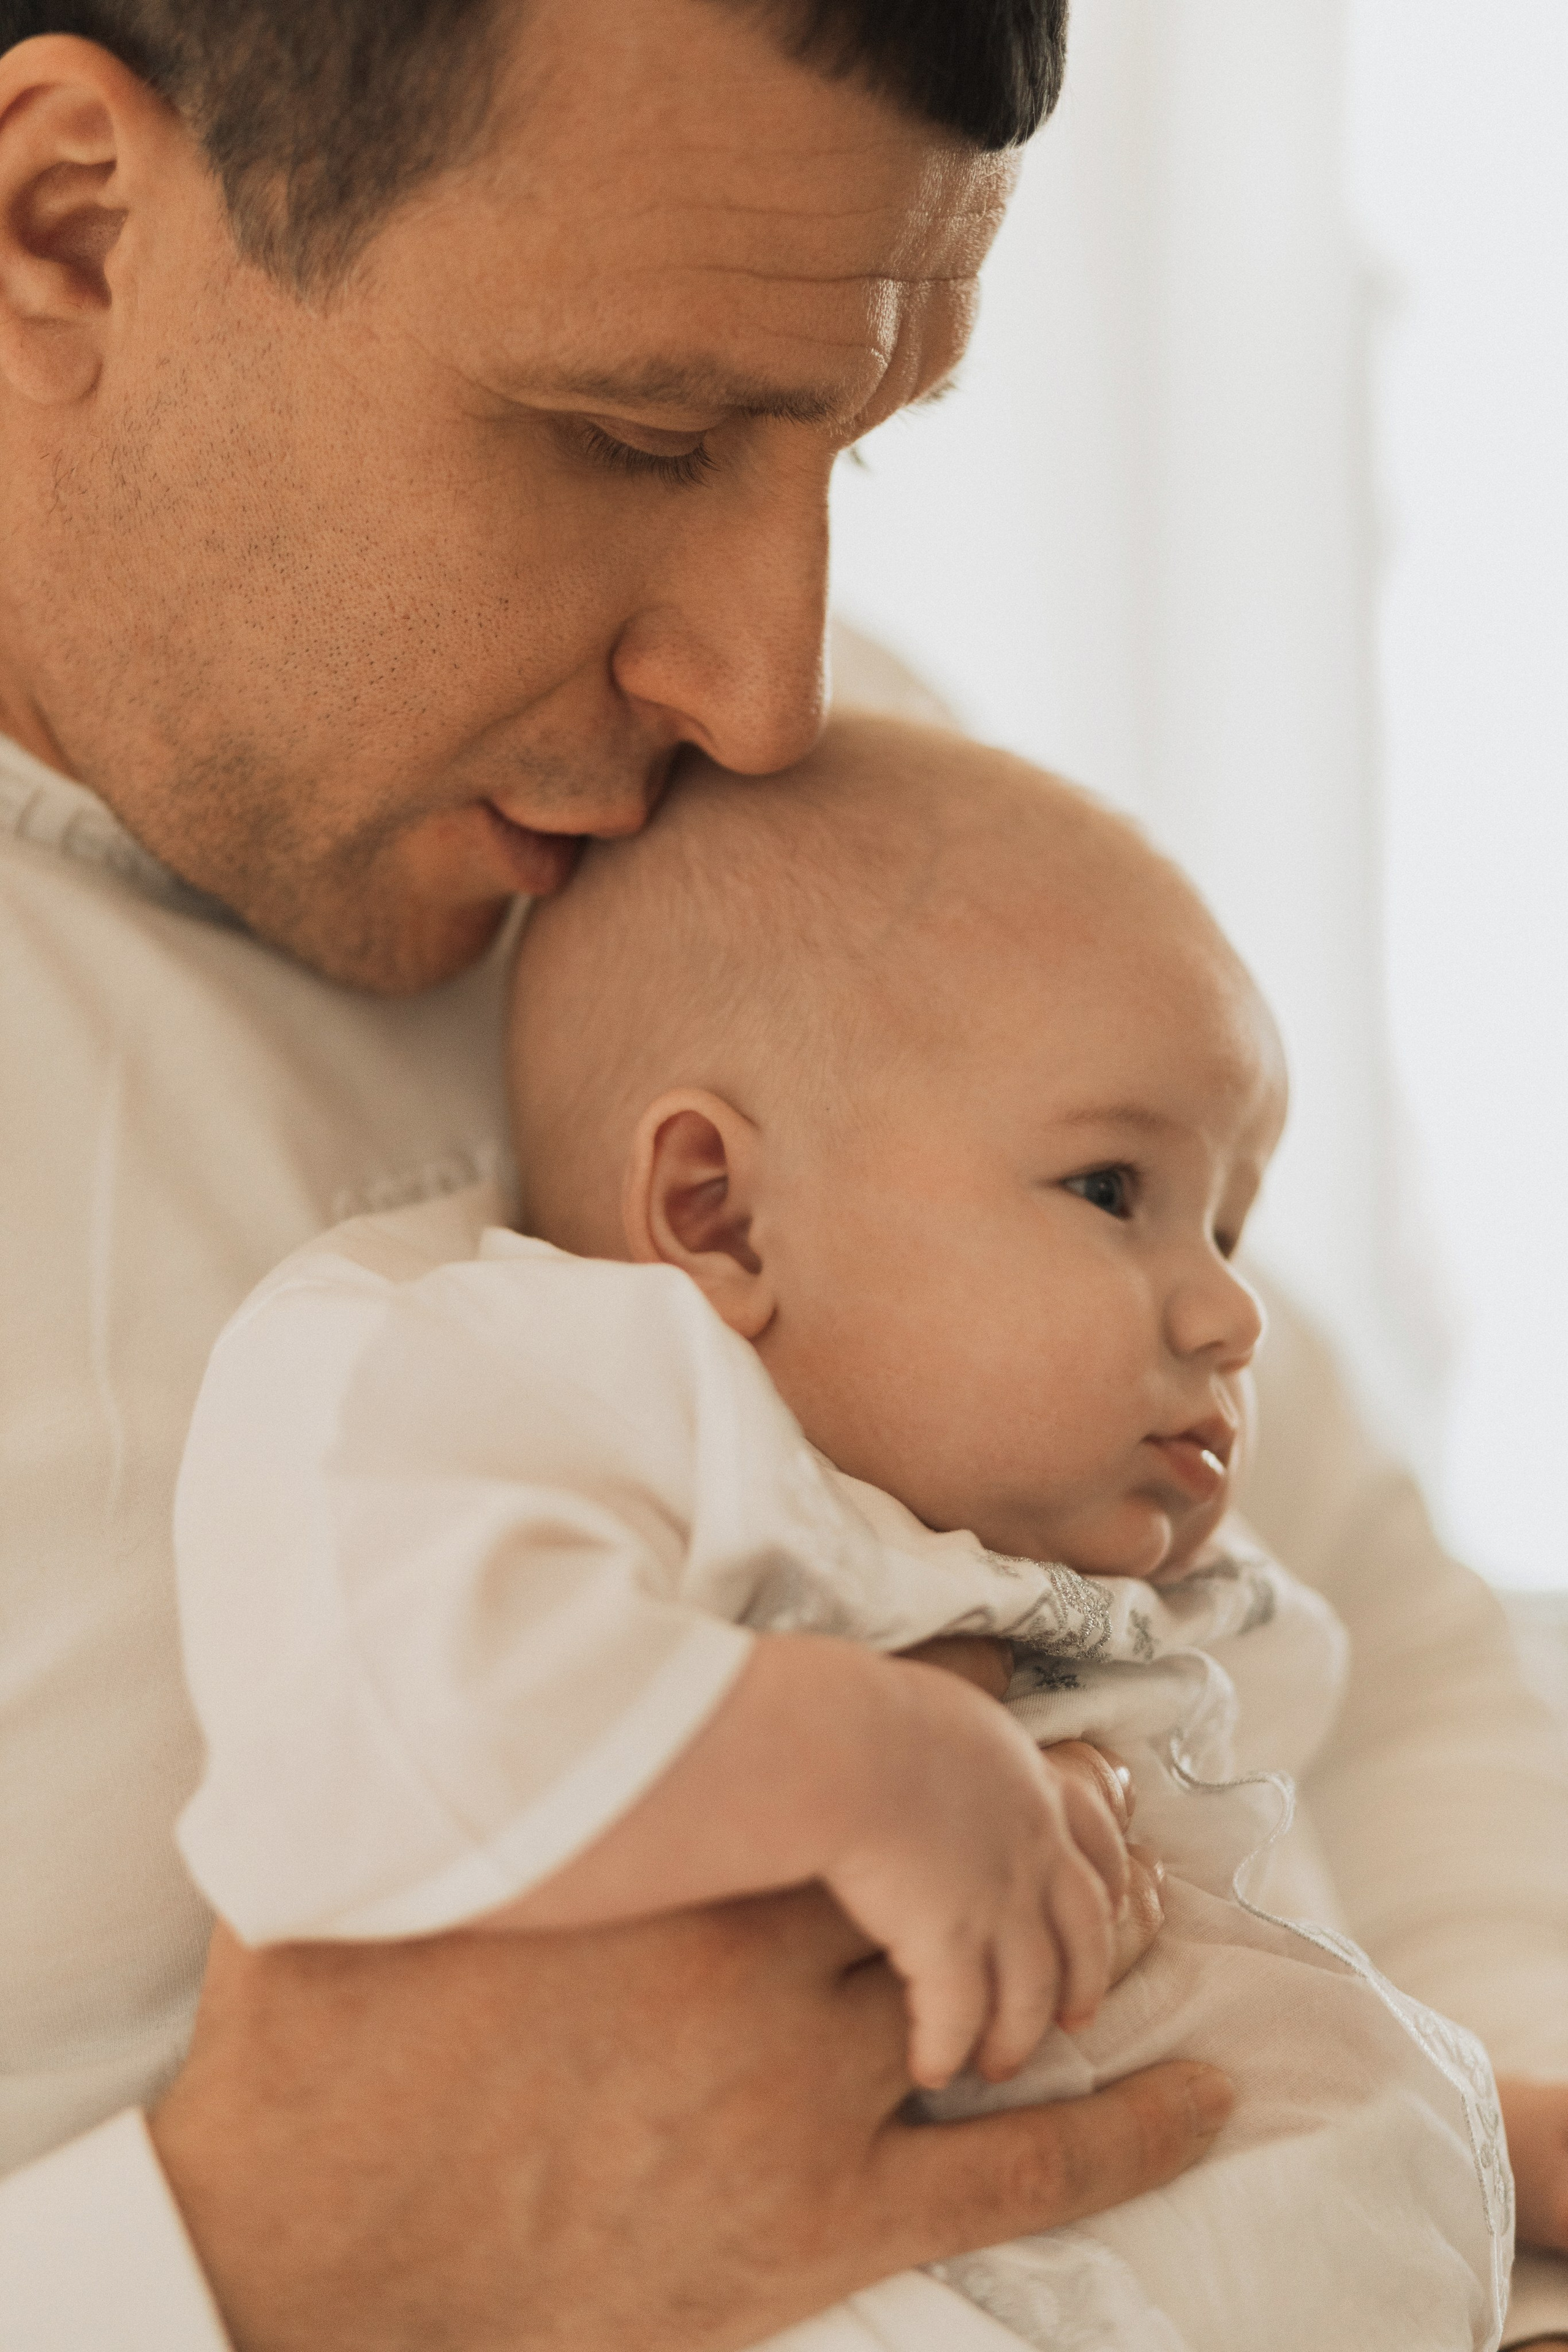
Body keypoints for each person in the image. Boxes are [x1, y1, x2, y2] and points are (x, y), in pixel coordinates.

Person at [0, 0, 1562, 2345]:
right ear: (70, 223)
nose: (772, 681)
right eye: (640, 434)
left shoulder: (823, 835)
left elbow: (1385, 1639)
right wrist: (250, 2265)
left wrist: (1459, 2160)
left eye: (852, 447)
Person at [170, 717, 1513, 2350]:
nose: (1233, 1311)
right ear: (716, 1213)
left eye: (1230, 1221)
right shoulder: (566, 1384)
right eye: (1112, 1190)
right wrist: (862, 1760)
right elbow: (411, 1697)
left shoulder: (1143, 1576)